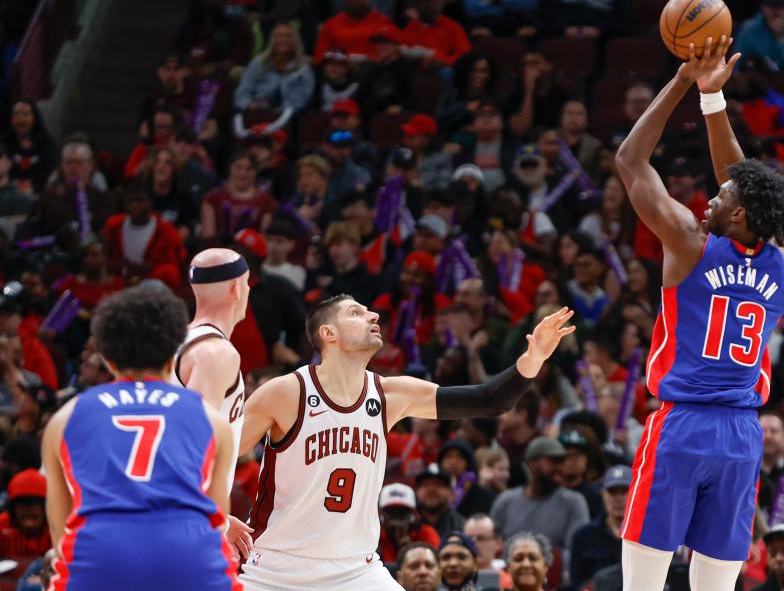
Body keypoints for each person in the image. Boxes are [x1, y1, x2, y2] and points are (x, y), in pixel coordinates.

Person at [614, 36, 784, 591]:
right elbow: (747, 182)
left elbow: (629, 160)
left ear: (737, 213)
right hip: (743, 437)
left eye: (718, 198)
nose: (707, 201)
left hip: (682, 426)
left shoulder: (690, 244)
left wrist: (682, 82)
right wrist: (713, 102)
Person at [237, 296, 575, 590]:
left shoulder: (390, 394)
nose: (373, 317)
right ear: (329, 334)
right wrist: (219, 517)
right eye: (356, 313)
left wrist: (533, 358)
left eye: (370, 312)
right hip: (277, 567)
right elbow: (209, 454)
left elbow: (488, 400)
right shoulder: (287, 392)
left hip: (355, 570)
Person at [40, 284, 239, 589]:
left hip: (102, 554)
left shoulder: (66, 417)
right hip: (189, 558)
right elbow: (217, 515)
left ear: (107, 358)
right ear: (173, 354)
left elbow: (60, 528)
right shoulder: (211, 419)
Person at [173, 248, 252, 553]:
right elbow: (188, 444)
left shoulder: (174, 343)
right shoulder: (216, 353)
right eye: (247, 284)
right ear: (236, 289)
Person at [569, 464, 631, 589]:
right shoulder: (583, 536)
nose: (618, 498)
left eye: (625, 491)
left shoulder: (650, 535)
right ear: (603, 494)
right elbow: (576, 584)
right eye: (612, 491)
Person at [379, 483, 442, 565]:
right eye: (391, 512)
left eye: (402, 512)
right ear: (381, 514)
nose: (397, 519)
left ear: (413, 514)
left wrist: (413, 551)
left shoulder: (427, 534)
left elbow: (435, 566)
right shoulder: (374, 535)